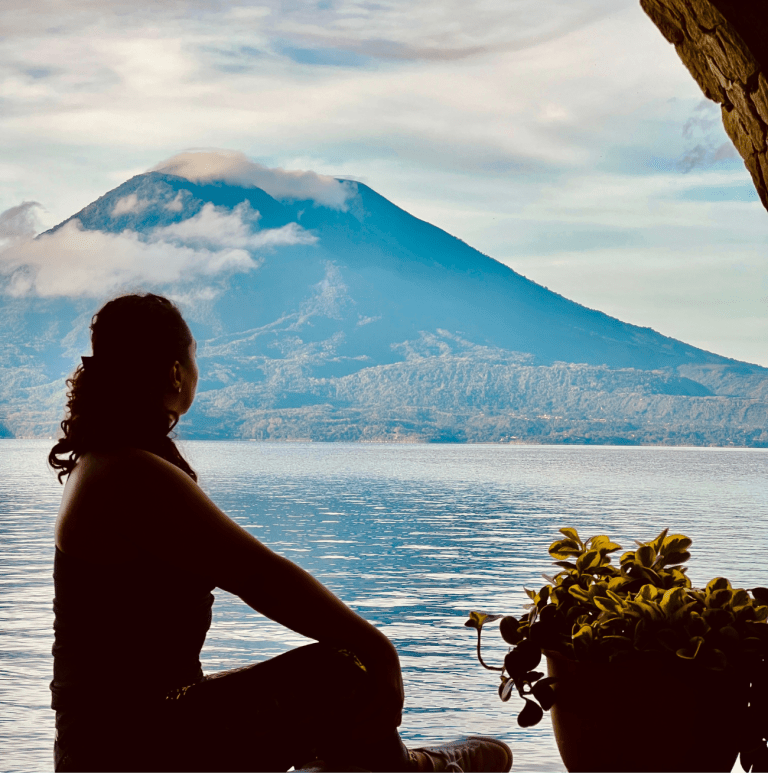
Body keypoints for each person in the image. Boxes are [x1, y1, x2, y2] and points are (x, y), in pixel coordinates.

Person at [49, 293, 513, 773]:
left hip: (120, 738)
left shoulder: (108, 463)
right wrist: (379, 651)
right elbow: (260, 576)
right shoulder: (129, 473)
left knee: (328, 687)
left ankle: (388, 764)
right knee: (339, 671)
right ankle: (416, 769)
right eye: (194, 357)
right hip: (133, 747)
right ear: (174, 372)